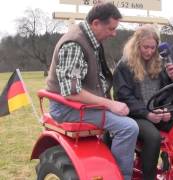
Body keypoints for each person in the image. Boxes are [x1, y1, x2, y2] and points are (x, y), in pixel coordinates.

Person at [46, 3, 138, 180]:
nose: (114, 33)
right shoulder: (74, 44)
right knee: (128, 127)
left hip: (83, 104)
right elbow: (71, 91)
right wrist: (110, 104)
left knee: (132, 115)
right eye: (111, 28)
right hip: (68, 108)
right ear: (96, 23)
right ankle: (121, 176)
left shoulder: (91, 40)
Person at [113, 25, 173, 180]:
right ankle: (149, 177)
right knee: (152, 136)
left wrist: (168, 111)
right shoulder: (124, 66)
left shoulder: (159, 63)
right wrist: (147, 114)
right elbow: (123, 97)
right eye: (145, 47)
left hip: (156, 112)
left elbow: (167, 91)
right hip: (134, 114)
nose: (149, 51)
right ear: (137, 45)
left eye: (152, 48)